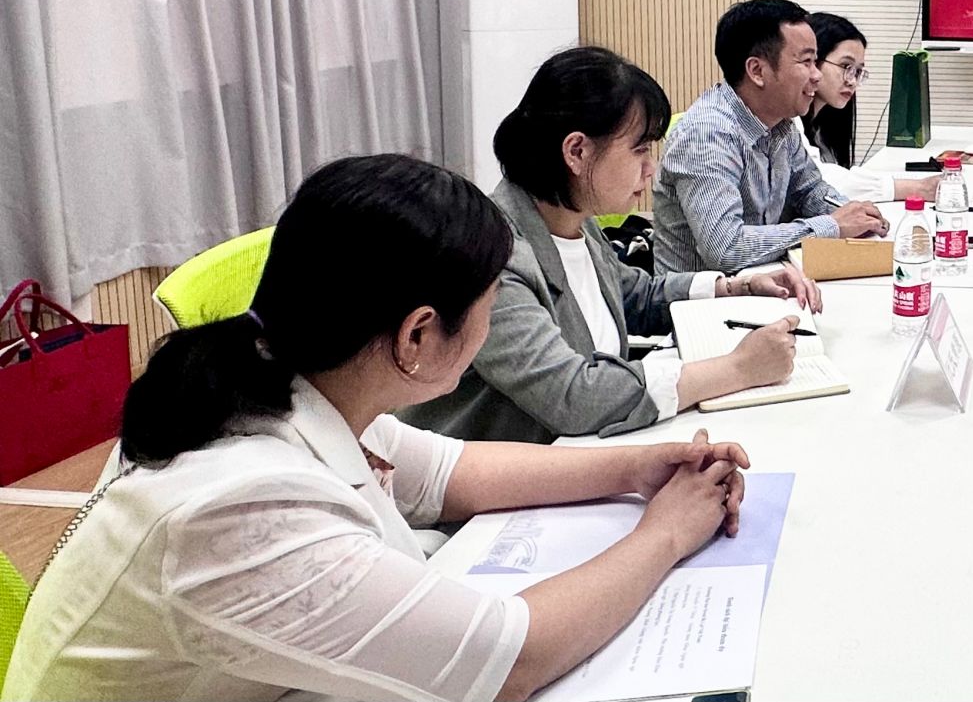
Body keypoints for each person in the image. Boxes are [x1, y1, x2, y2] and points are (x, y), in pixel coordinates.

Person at [3, 154, 755, 702]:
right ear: (418, 334)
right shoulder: (241, 505)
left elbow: (451, 474)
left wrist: (636, 469)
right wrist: (664, 534)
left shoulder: (285, 373)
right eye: (492, 301)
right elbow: (512, 662)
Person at [404, 47, 823, 445]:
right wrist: (737, 369)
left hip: (585, 454)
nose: (650, 167)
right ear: (577, 151)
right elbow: (573, 397)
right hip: (507, 478)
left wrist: (735, 287)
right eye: (640, 150)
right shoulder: (494, 257)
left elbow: (631, 294)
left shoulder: (572, 220)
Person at [653, 0, 888, 276]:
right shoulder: (707, 135)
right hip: (703, 298)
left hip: (763, 279)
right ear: (757, 71)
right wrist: (832, 226)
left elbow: (809, 190)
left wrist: (854, 213)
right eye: (807, 62)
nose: (816, 76)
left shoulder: (781, 123)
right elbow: (726, 249)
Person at [802, 11, 939, 203]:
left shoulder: (823, 125)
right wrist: (916, 188)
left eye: (858, 72)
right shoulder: (789, 122)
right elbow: (817, 181)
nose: (852, 81)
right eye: (845, 66)